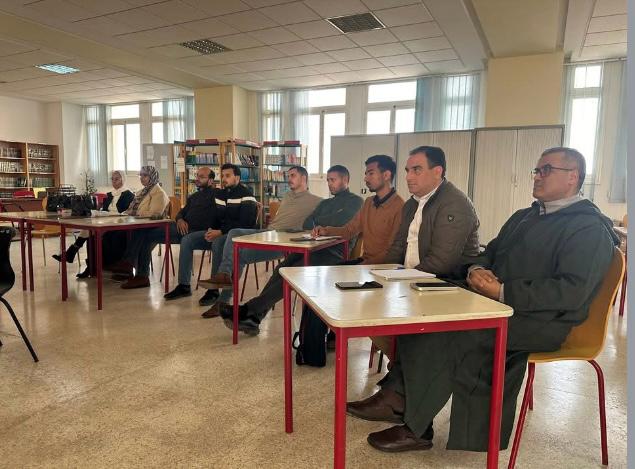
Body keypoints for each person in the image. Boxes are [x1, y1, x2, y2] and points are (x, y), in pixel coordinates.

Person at [346, 147, 619, 455]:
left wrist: (502, 291)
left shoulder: (587, 228)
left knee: (449, 331)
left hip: (544, 320)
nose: (537, 176)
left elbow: (571, 292)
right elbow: (490, 252)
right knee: (425, 311)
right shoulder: (525, 216)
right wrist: (476, 270)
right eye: (537, 170)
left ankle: (416, 427)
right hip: (498, 303)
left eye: (546, 170)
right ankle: (397, 397)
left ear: (573, 177)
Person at [217, 165, 364, 336]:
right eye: (328, 180)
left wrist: (321, 222)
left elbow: (343, 222)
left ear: (345, 180)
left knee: (292, 274)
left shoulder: (356, 201)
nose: (329, 184)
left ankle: (248, 310)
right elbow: (307, 223)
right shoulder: (326, 203)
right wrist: (325, 222)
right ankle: (254, 317)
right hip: (313, 247)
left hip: (335, 252)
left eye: (333, 180)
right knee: (281, 269)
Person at [198, 165, 322, 317]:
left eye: (293, 176)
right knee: (234, 232)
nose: (288, 179)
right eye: (288, 176)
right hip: (268, 233)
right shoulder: (288, 196)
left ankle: (222, 301)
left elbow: (317, 225)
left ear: (304, 178)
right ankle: (224, 274)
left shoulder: (317, 202)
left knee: (238, 256)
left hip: (282, 241)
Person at [164, 163, 257, 301]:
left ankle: (213, 291)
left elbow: (245, 224)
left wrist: (219, 231)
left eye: (228, 176)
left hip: (235, 236)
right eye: (223, 176)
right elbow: (216, 217)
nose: (224, 179)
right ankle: (184, 286)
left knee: (218, 242)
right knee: (187, 240)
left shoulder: (247, 196)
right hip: (216, 232)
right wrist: (211, 229)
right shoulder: (221, 195)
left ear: (237, 178)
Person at [313, 155, 404, 264]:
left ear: (386, 175)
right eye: (366, 174)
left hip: (382, 267)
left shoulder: (400, 207)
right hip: (365, 262)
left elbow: (393, 251)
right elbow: (349, 230)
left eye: (371, 173)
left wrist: (363, 266)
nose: (365, 179)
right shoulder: (369, 202)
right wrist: (326, 231)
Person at [52, 170, 134, 278]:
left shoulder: (128, 194)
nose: (114, 181)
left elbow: (124, 212)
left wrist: (107, 214)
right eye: (112, 179)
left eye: (116, 179)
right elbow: (105, 209)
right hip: (106, 220)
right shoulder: (110, 195)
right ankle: (89, 265)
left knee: (91, 230)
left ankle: (74, 253)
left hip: (119, 223)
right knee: (90, 230)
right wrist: (100, 210)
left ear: (123, 179)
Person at [109, 166, 170, 288]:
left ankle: (129, 265)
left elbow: (155, 213)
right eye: (140, 175)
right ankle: (125, 269)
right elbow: (130, 210)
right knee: (117, 234)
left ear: (152, 177)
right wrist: (123, 214)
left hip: (156, 227)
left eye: (145, 175)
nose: (142, 178)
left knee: (141, 234)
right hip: (141, 225)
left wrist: (135, 213)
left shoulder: (159, 193)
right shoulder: (141, 192)